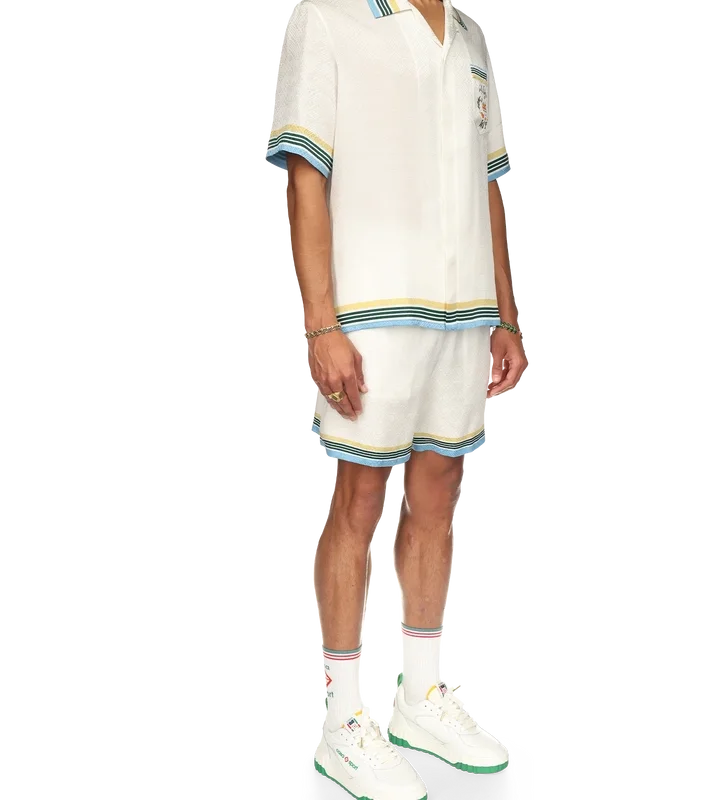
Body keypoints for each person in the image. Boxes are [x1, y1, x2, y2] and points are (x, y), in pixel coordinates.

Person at [267, 1, 526, 797]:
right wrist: (322, 323)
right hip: (373, 309)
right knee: (359, 496)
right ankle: (344, 717)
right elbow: (306, 176)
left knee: (439, 492)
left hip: (464, 312)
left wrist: (505, 313)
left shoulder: (469, 32)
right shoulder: (328, 15)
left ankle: (420, 694)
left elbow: (488, 185)